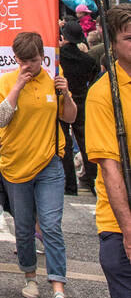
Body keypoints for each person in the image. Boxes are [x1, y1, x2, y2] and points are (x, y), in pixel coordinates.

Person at [0, 30, 77, 298]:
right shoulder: (7, 81)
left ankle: (58, 287)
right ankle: (30, 276)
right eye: (23, 61)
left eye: (34, 60)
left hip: (49, 162)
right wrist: (17, 86)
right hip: (16, 165)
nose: (29, 66)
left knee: (51, 225)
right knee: (25, 227)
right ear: (16, 59)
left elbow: (69, 117)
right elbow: (1, 118)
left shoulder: (53, 80)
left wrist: (66, 94)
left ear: (43, 57)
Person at [85, 4, 131, 298]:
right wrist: (128, 230)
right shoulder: (103, 94)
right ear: (113, 44)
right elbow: (110, 167)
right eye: (129, 38)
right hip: (120, 220)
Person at [58, 17, 99, 194]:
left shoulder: (58, 57)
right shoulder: (88, 60)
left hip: (63, 100)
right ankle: (92, 180)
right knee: (84, 141)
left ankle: (69, 184)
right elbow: (94, 79)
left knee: (64, 142)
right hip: (82, 100)